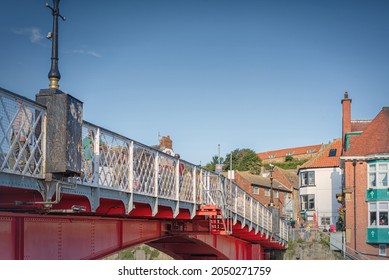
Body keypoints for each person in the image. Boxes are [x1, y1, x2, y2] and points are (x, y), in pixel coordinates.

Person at [10, 102, 33, 171]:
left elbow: (27, 124)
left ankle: (26, 168)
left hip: (22, 133)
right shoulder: (18, 112)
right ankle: (12, 167)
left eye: (19, 103)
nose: (18, 105)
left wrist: (23, 135)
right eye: (18, 104)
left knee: (25, 150)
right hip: (15, 133)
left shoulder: (28, 112)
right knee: (14, 150)